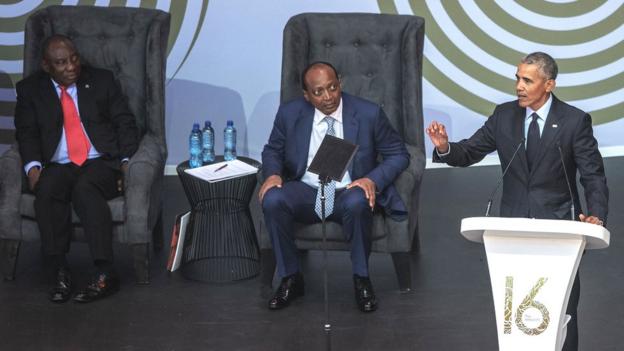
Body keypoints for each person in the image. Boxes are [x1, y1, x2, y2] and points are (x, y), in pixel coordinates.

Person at [427, 52, 608, 350]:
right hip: (512, 234)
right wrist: (446, 147)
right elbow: (470, 151)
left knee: (563, 310)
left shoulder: (574, 121)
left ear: (549, 84)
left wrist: (596, 216)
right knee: (517, 313)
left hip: (559, 231)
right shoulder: (504, 116)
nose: (519, 87)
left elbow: (593, 176)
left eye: (527, 80)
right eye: (517, 78)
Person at [259, 62, 409, 312]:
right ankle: (291, 278)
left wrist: (372, 179)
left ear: (340, 83)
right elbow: (273, 149)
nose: (328, 97)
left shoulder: (367, 113)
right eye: (318, 92)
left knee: (359, 201)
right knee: (273, 200)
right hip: (306, 189)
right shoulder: (289, 113)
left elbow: (399, 154)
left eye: (333, 87)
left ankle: (361, 278)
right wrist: (273, 174)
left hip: (348, 190)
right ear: (307, 95)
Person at [13, 34, 139, 303]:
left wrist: (126, 162)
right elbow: (27, 133)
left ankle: (105, 272)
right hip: (58, 163)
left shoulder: (102, 80)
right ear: (47, 66)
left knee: (85, 190)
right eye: (62, 63)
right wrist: (33, 168)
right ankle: (59, 271)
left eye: (74, 59)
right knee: (47, 191)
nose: (71, 67)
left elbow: (125, 122)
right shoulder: (30, 90)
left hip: (99, 161)